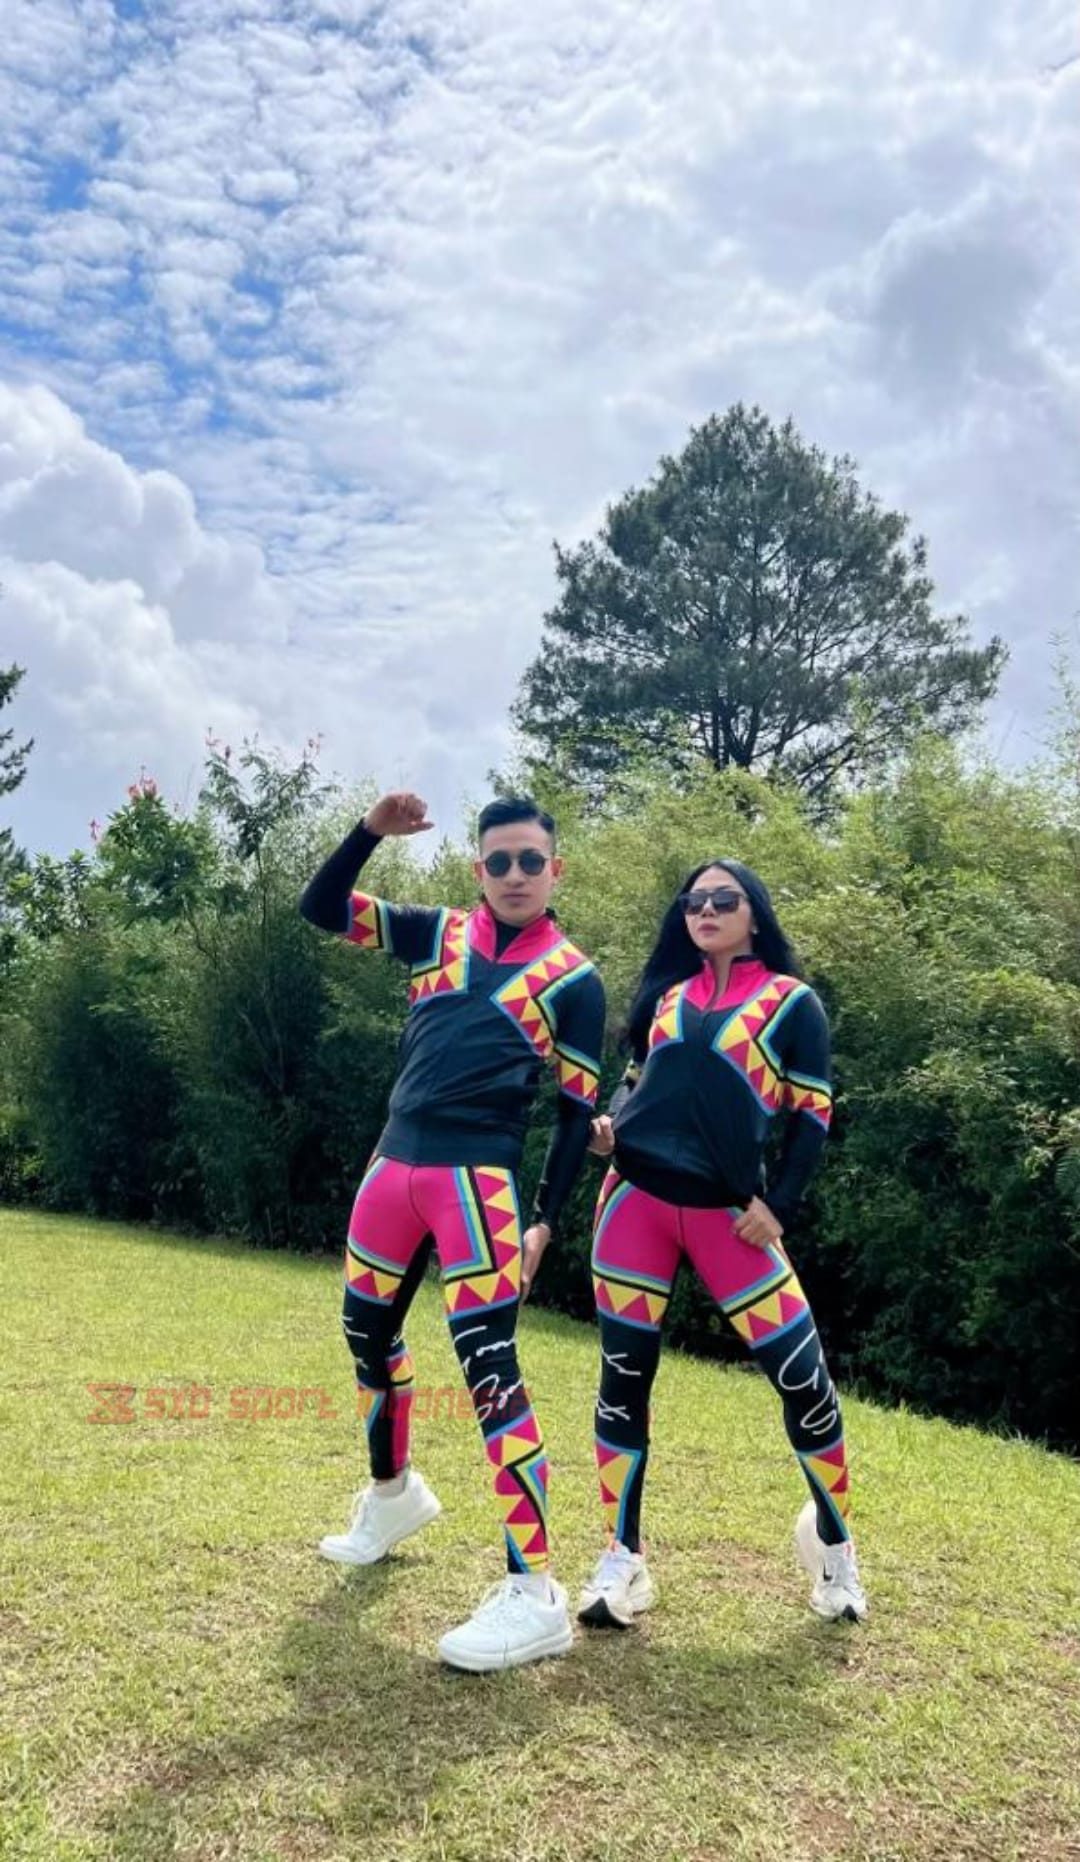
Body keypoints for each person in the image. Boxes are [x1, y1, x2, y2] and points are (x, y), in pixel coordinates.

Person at [299, 790, 605, 1671]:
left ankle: (534, 1591)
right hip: (391, 1170)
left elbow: (576, 1113)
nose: (515, 875)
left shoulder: (576, 980)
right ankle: (392, 1495)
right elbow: (321, 908)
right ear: (479, 868)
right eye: (499, 861)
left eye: (531, 860)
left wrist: (545, 1219)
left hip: (480, 1188)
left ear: (556, 870)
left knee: (490, 1370)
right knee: (366, 1337)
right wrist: (369, 832)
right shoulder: (435, 933)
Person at [578, 858, 867, 1630]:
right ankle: (623, 1558)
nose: (705, 910)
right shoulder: (666, 996)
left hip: (730, 1220)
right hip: (633, 1206)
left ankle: (835, 1548)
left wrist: (781, 1206)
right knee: (622, 1381)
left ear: (754, 913)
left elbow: (812, 1115)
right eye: (694, 900)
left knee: (804, 1380)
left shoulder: (793, 1003)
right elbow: (635, 1078)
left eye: (723, 899)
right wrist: (611, 1125)